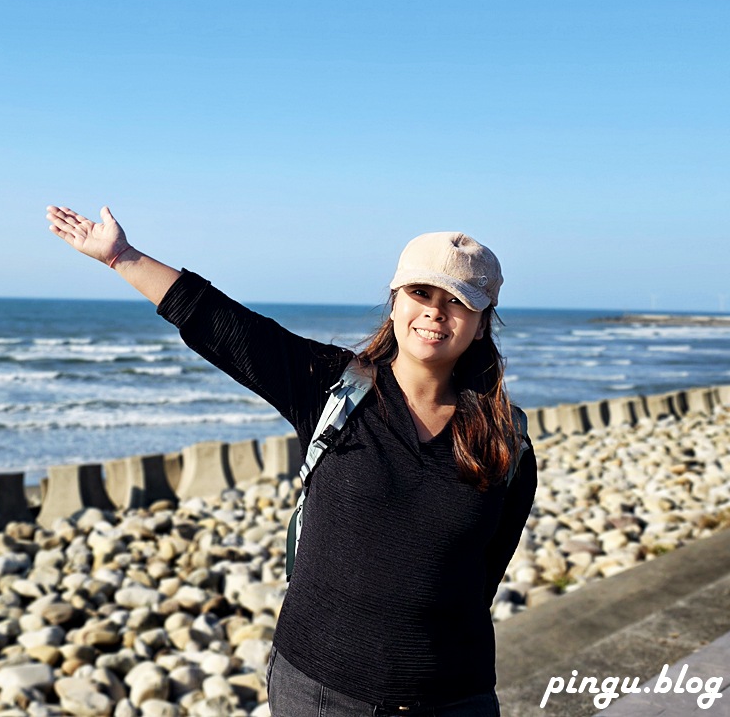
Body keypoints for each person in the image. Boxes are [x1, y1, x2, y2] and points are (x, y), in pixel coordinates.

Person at [46, 205, 537, 717]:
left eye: (459, 301)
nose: (437, 311)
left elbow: (485, 572)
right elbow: (224, 326)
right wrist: (121, 257)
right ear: (394, 303)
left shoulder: (506, 442)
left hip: (453, 697)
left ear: (481, 325)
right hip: (318, 690)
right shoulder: (331, 387)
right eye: (422, 293)